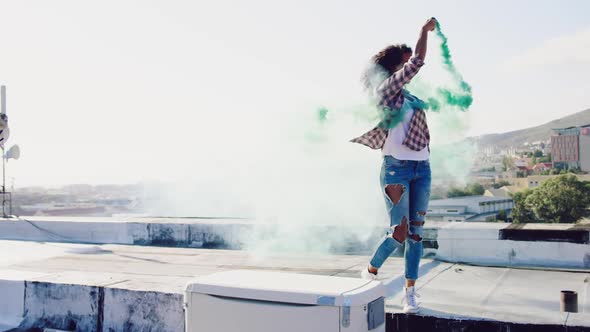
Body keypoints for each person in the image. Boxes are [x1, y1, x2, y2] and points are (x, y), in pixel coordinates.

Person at [351, 17, 437, 314]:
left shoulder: (409, 96)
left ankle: (410, 294)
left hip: (421, 167)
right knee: (398, 233)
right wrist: (423, 32)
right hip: (396, 169)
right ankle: (371, 271)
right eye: (403, 64)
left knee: (416, 234)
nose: (408, 68)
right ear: (393, 68)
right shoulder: (386, 91)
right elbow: (419, 60)